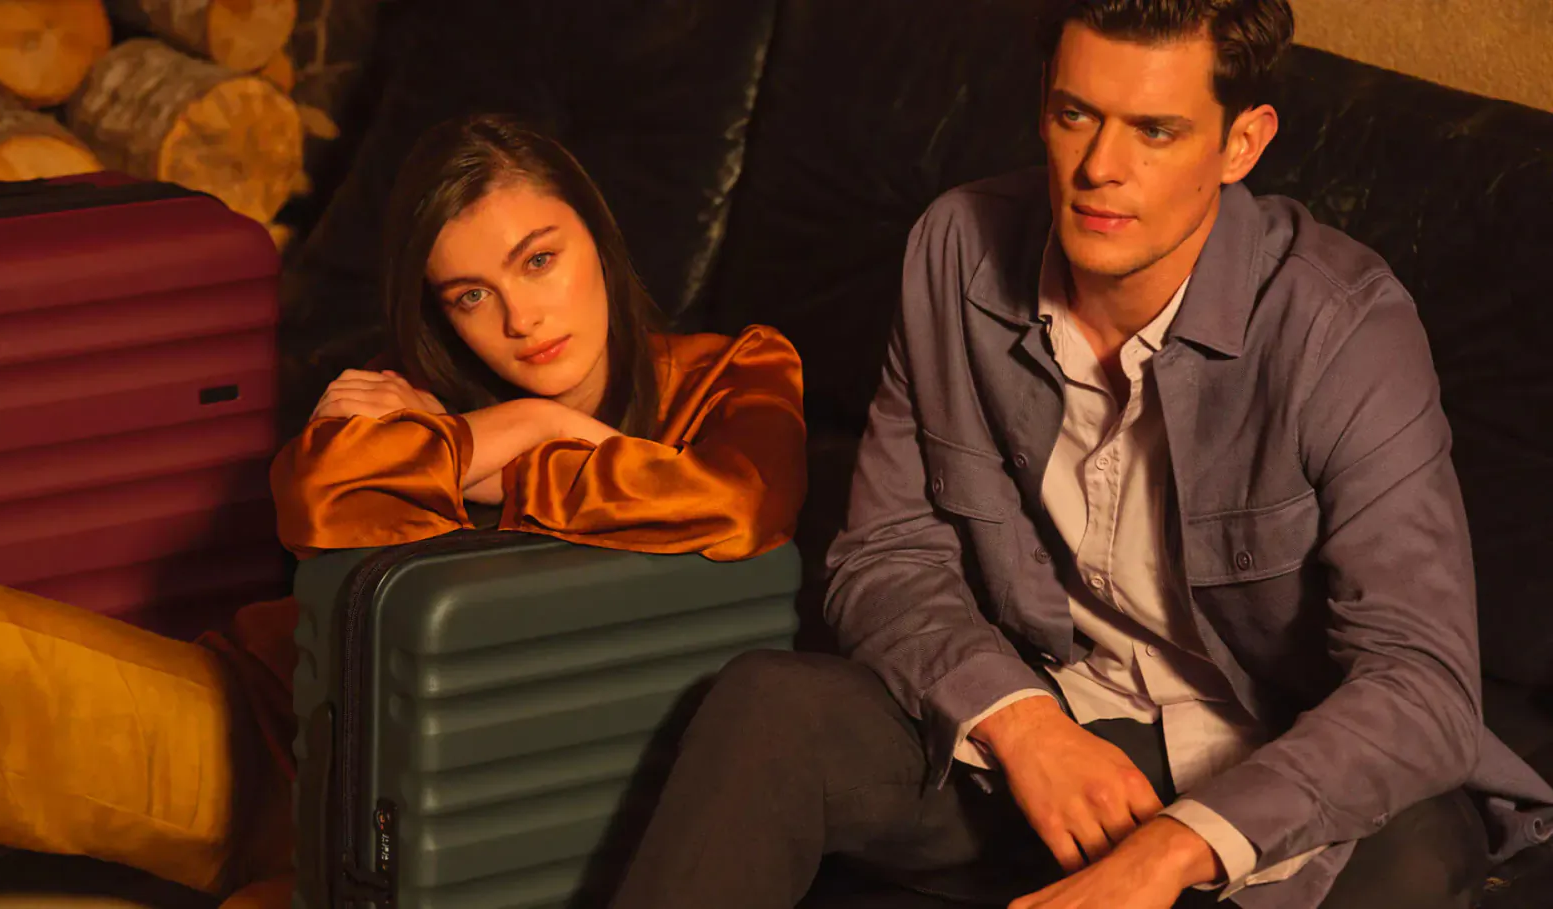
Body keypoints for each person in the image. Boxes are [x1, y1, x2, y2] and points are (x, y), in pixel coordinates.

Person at [604, 3, 1553, 909]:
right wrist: (1023, 726)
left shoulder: (1343, 327)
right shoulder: (956, 250)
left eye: (1155, 130)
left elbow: (1421, 681)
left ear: (1242, 144)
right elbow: (886, 552)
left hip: (1271, 763)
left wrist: (1174, 848)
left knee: (1419, 853)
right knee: (769, 707)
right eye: (1075, 115)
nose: (1100, 167)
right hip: (1055, 720)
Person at [0, 113, 807, 908]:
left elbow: (736, 507)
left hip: (437, 836)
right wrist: (525, 419)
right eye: (469, 294)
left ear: (597, 237)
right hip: (262, 738)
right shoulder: (420, 389)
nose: (518, 318)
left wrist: (507, 459)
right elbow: (319, 496)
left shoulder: (736, 372)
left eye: (539, 260)